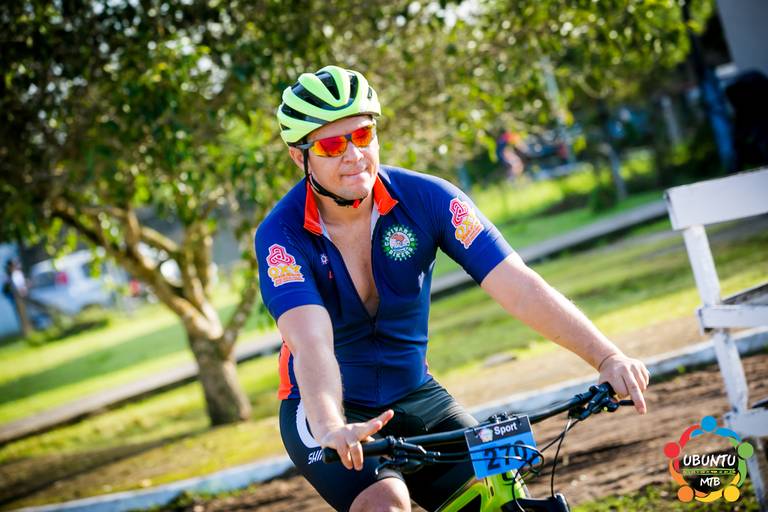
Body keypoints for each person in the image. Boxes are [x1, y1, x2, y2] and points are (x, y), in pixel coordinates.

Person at [255, 65, 650, 512]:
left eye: (363, 135)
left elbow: (519, 286)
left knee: (506, 496)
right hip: (328, 410)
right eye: (331, 145)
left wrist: (606, 356)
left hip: (417, 394)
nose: (354, 155)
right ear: (299, 157)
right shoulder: (281, 237)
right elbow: (311, 344)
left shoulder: (427, 199)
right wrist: (330, 426)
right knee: (386, 505)